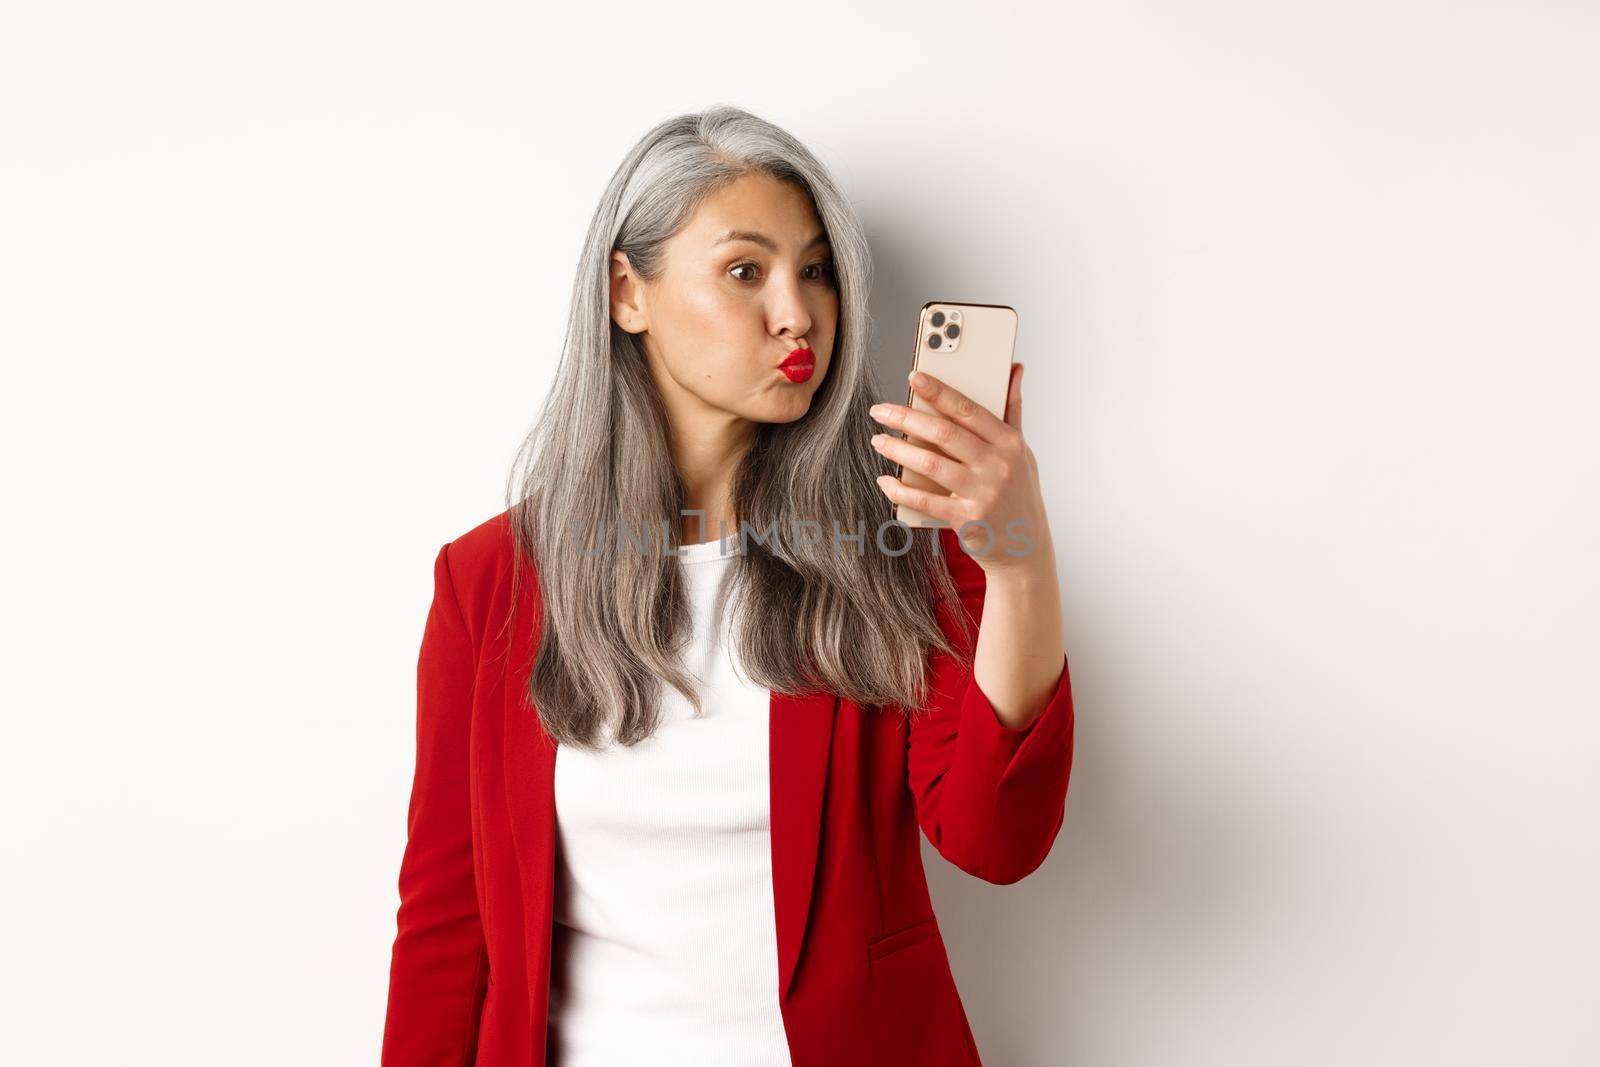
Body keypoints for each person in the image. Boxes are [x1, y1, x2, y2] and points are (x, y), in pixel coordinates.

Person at [381, 104, 1076, 1067]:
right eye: (746, 270)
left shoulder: (903, 552)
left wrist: (1017, 554)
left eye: (817, 269)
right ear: (629, 291)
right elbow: (447, 929)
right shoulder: (491, 581)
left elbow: (995, 839)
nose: (798, 312)